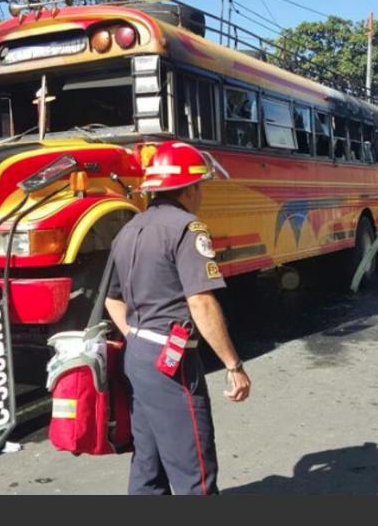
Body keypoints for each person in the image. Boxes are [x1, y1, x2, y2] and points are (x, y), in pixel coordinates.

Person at [104, 141, 251, 495]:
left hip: (136, 353)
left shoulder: (128, 229)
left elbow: (111, 299)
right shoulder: (187, 228)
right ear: (190, 188)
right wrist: (233, 364)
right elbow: (200, 300)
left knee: (147, 463)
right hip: (171, 362)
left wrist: (138, 338)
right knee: (194, 467)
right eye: (200, 184)